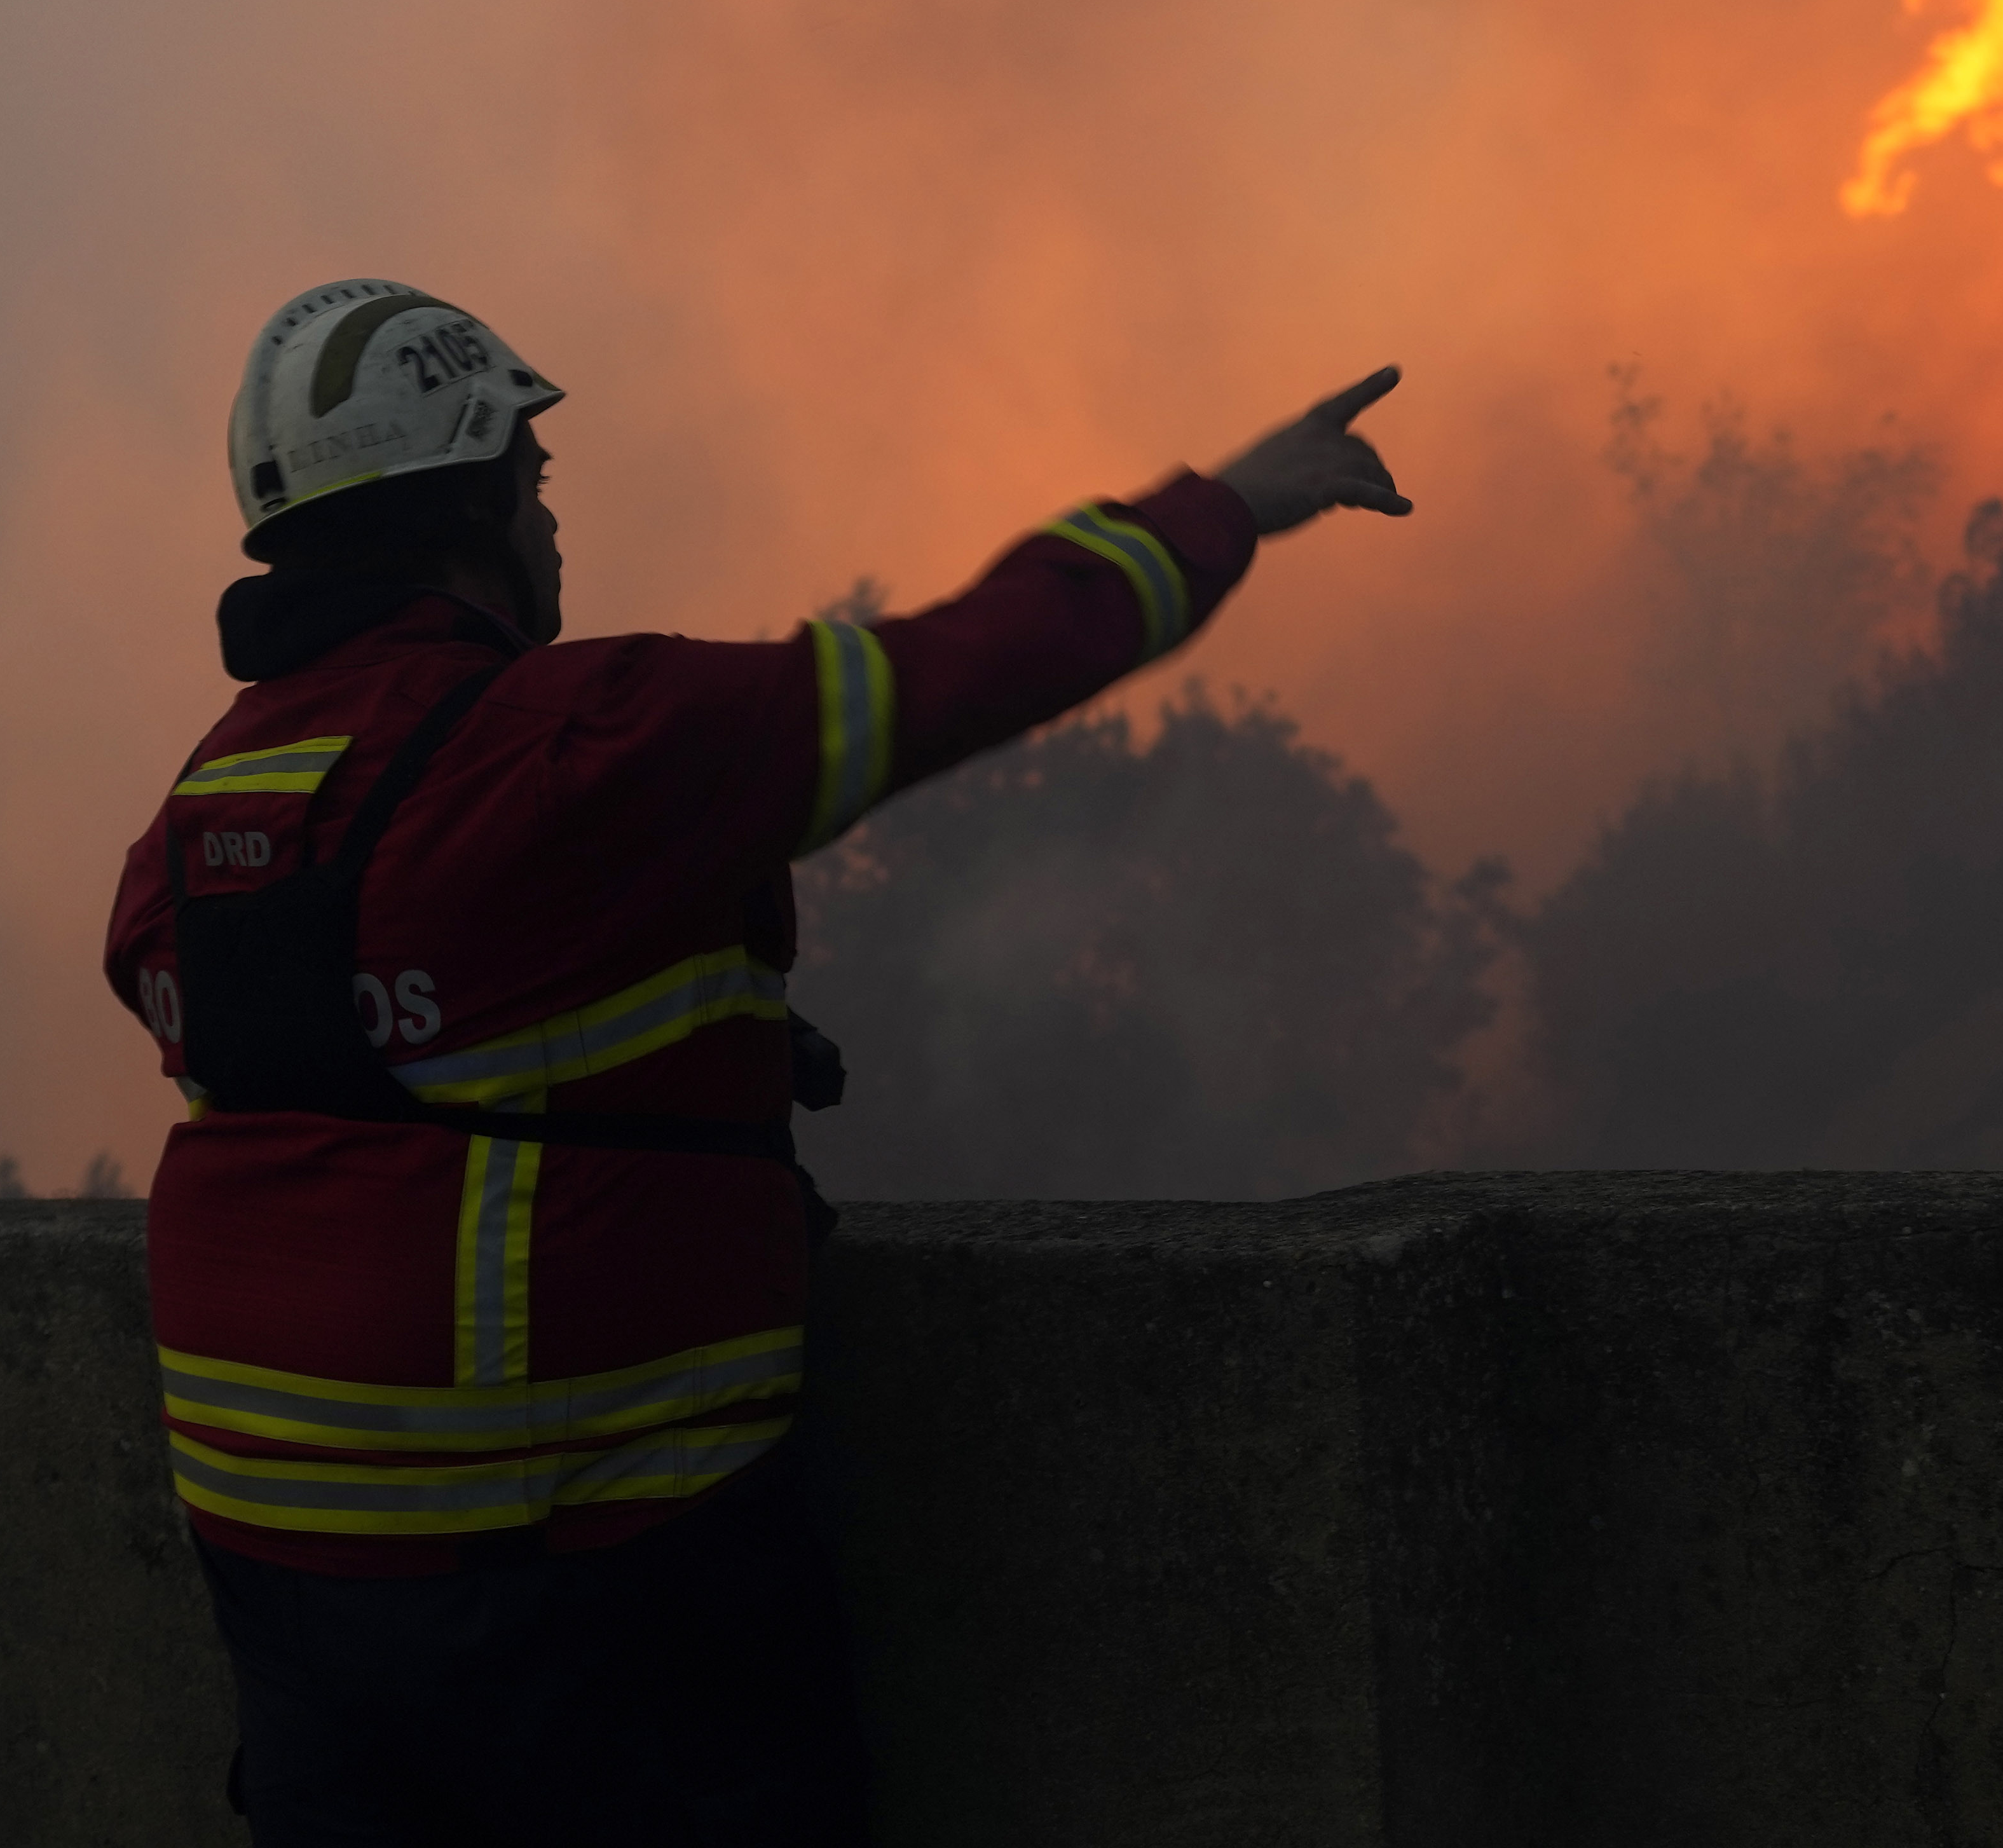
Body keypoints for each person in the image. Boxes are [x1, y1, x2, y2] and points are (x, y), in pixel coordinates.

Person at [101, 278, 1407, 1844]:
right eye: (535, 480)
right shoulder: (589, 743)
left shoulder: (205, 806)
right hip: (593, 1603)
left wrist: (701, 1043)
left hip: (296, 1612)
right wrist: (1234, 502)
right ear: (472, 504)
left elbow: (394, 1052)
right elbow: (966, 663)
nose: (553, 527)